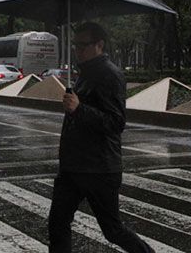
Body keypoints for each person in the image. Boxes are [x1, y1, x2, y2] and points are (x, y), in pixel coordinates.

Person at [47, 23, 154, 253]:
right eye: (75, 45)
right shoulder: (85, 73)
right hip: (73, 167)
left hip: (99, 168)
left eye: (83, 45)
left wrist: (79, 108)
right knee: (57, 224)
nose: (77, 50)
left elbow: (116, 123)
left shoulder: (110, 75)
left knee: (112, 230)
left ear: (99, 45)